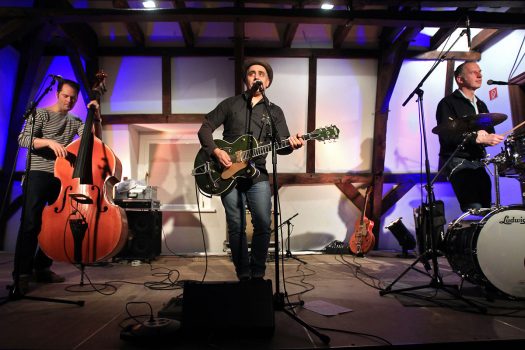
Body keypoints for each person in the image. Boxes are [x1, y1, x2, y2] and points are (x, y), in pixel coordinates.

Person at [197, 60, 305, 281]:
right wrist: (217, 151)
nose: (256, 76)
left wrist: (292, 144)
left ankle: (257, 273)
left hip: (259, 174)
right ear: (246, 79)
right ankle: (243, 273)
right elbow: (205, 128)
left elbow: (281, 146)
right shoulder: (231, 104)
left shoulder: (274, 112)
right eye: (251, 73)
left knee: (264, 225)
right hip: (227, 174)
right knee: (236, 225)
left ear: (268, 81)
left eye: (261, 74)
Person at [12, 78, 100, 294]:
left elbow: (91, 140)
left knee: (54, 226)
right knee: (31, 223)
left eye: (73, 98)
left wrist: (95, 116)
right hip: (38, 173)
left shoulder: (76, 119)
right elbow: (23, 139)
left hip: (62, 178)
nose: (69, 100)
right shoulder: (40, 114)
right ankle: (21, 274)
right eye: (65, 96)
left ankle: (42, 268)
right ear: (57, 94)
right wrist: (49, 142)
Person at [436, 60, 504, 212]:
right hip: (459, 161)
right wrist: (476, 137)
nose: (479, 75)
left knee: (486, 210)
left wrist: (490, 139)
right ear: (460, 79)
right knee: (474, 209)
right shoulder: (447, 103)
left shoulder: (481, 104)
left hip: (478, 161)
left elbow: (489, 132)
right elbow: (447, 136)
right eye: (474, 72)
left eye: (480, 71)